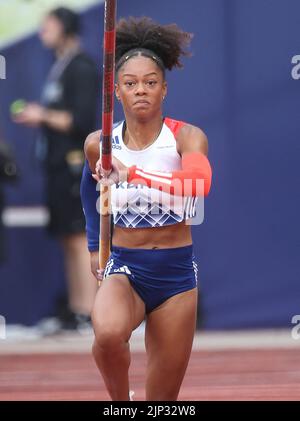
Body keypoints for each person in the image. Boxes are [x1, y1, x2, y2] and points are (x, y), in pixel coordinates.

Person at [81, 17, 212, 400]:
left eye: (151, 82)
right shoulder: (99, 144)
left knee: (162, 403)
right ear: (116, 91)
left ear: (164, 89)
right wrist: (94, 244)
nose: (142, 90)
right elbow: (89, 191)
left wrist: (133, 173)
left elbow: (198, 185)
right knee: (106, 335)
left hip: (175, 276)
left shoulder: (186, 137)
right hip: (125, 266)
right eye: (131, 83)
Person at [13, 7, 99, 331]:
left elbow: (80, 122)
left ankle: (91, 313)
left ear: (65, 27)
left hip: (74, 167)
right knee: (68, 237)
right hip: (56, 167)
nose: (42, 32)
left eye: (48, 25)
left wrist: (41, 115)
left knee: (80, 238)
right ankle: (78, 310)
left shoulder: (82, 67)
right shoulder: (59, 68)